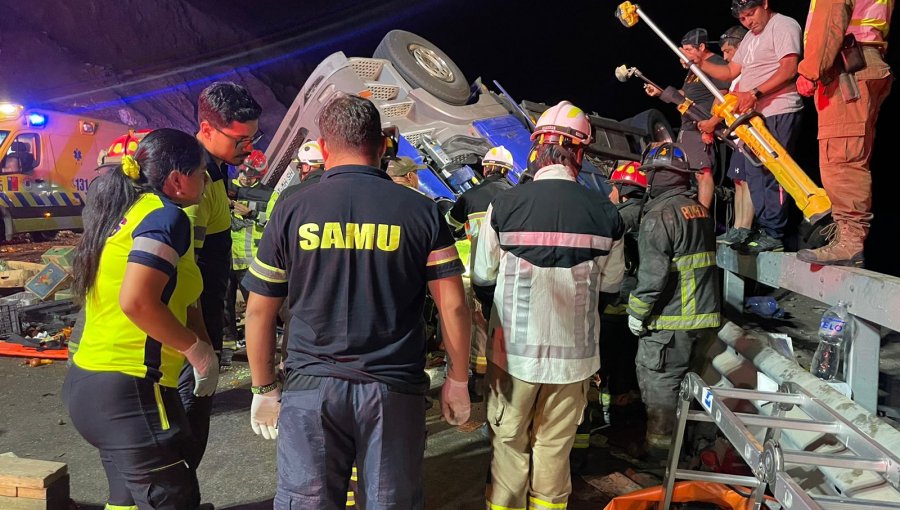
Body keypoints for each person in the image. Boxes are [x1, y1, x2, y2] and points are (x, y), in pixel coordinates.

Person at [242, 94, 471, 509]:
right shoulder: (421, 211)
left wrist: (263, 388)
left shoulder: (291, 209)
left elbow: (259, 309)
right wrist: (457, 379)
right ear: (382, 146)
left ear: (325, 147)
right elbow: (453, 305)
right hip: (392, 388)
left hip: (310, 387)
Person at [473, 100, 625, 510]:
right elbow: (610, 287)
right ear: (580, 152)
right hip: (573, 361)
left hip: (513, 357)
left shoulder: (504, 206)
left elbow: (484, 278)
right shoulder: (607, 214)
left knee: (508, 442)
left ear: (537, 148)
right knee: (554, 449)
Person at [63, 128, 217, 510]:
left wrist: (200, 333)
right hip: (131, 391)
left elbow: (178, 290)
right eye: (201, 172)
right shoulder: (167, 218)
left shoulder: (129, 213)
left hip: (93, 384)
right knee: (174, 499)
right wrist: (195, 351)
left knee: (126, 501)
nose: (207, 181)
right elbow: (137, 301)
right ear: (177, 180)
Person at [181, 81, 262, 468]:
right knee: (186, 427)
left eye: (252, 137)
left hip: (203, 321)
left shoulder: (215, 172)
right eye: (240, 139)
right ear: (208, 129)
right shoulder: (196, 180)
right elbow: (185, 269)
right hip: (190, 330)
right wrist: (199, 343)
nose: (248, 148)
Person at [626, 142, 720, 460]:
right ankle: (685, 450)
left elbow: (653, 276)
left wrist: (637, 313)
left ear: (657, 176)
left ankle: (658, 459)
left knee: (659, 384)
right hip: (703, 318)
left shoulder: (659, 215)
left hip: (671, 322)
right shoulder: (698, 210)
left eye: (650, 174)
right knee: (687, 388)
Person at [691, 0, 804, 253]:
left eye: (751, 14)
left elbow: (789, 69)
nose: (747, 22)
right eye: (742, 18)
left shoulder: (783, 25)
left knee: (774, 172)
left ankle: (775, 232)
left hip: (778, 110)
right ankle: (762, 229)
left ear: (765, 3)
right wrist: (699, 61)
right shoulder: (751, 39)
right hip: (752, 116)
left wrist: (755, 92)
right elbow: (730, 71)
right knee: (754, 174)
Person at [795, 0, 894, 267]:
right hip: (861, 59)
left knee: (841, 157)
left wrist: (811, 68)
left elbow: (832, 10)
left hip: (847, 64)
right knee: (850, 154)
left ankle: (850, 242)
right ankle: (849, 238)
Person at [445, 145, 514, 396]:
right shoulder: (516, 196)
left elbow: (449, 226)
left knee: (479, 326)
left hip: (480, 274)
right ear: (507, 171)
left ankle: (477, 384)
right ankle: (504, 379)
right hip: (509, 277)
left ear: (485, 168)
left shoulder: (470, 197)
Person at [644, 28, 731, 210]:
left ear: (701, 46)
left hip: (701, 126)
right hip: (687, 127)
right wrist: (660, 92)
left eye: (689, 50)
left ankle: (703, 214)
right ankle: (689, 209)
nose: (684, 54)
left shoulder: (715, 63)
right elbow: (685, 94)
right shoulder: (693, 69)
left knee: (702, 171)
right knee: (686, 172)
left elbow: (721, 95)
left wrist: (711, 125)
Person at [222, 149, 272, 366]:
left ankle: (257, 349)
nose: (244, 176)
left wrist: (251, 214)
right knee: (224, 305)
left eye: (249, 173)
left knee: (255, 308)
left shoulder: (268, 195)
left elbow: (272, 224)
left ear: (258, 175)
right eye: (242, 171)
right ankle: (227, 348)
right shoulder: (227, 189)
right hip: (225, 258)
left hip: (249, 261)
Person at [267, 139, 326, 216]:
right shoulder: (336, 187)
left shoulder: (289, 194)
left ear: (306, 167)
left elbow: (274, 225)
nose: (299, 171)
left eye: (299, 167)